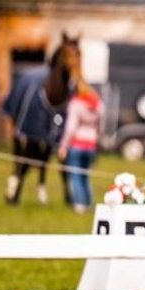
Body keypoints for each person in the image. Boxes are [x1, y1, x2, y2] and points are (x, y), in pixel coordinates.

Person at [57, 81, 103, 213]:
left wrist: (63, 145)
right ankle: (88, 202)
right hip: (91, 144)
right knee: (85, 175)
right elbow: (101, 126)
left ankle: (79, 204)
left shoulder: (75, 104)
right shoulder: (98, 104)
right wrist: (97, 141)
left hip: (77, 144)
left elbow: (71, 128)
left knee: (75, 175)